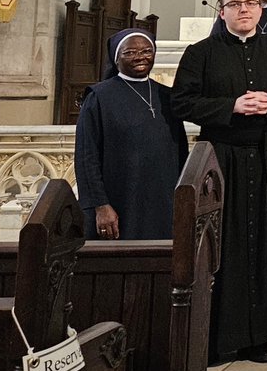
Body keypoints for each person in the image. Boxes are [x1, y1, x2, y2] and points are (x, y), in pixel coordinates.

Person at [172, 0, 267, 364]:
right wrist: (231, 105)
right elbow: (182, 102)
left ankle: (258, 337)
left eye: (251, 4)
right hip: (221, 159)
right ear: (222, 11)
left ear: (260, 10)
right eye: (235, 4)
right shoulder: (201, 54)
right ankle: (216, 336)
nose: (244, 10)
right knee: (222, 245)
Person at [75, 28, 189, 240]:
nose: (140, 57)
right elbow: (86, 156)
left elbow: (180, 150)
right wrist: (100, 205)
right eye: (129, 53)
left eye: (147, 51)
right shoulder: (99, 96)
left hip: (162, 202)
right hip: (119, 201)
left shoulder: (166, 95)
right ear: (116, 58)